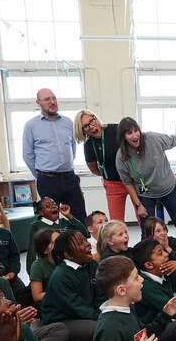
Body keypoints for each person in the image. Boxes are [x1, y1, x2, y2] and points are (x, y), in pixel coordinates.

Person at [114, 117, 176, 276]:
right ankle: (145, 266)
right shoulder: (122, 157)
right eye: (129, 133)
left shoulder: (153, 139)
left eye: (136, 130)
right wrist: (138, 205)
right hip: (145, 194)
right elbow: (127, 183)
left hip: (168, 188)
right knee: (147, 231)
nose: (134, 135)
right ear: (123, 136)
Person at [23, 88, 86, 220]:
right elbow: (27, 155)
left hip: (70, 178)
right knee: (50, 220)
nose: (52, 102)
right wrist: (41, 175)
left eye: (54, 98)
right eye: (47, 99)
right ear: (38, 102)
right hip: (47, 180)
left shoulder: (68, 122)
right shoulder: (31, 125)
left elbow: (72, 148)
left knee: (78, 216)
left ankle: (80, 240)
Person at [40, 230, 103, 341]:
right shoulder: (61, 276)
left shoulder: (92, 265)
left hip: (85, 314)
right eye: (80, 243)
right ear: (68, 254)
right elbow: (77, 308)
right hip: (62, 321)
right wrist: (101, 318)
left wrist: (104, 312)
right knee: (100, 327)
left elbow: (100, 294)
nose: (87, 245)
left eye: (85, 240)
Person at [75, 109, 136, 221]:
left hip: (132, 180)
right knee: (116, 222)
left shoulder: (116, 129)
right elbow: (94, 169)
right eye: (86, 126)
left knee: (143, 215)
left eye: (92, 121)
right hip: (113, 184)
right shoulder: (89, 145)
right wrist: (105, 174)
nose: (92, 126)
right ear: (82, 131)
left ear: (95, 118)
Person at [25, 196, 88, 275]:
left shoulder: (64, 222)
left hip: (68, 263)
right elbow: (32, 249)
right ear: (41, 212)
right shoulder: (37, 225)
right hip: (49, 267)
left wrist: (69, 216)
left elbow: (84, 233)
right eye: (47, 206)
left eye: (54, 204)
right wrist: (31, 272)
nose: (53, 206)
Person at [29, 229, 61, 306]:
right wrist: (62, 292)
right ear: (45, 250)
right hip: (52, 304)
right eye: (56, 242)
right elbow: (37, 296)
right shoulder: (37, 266)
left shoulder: (67, 258)